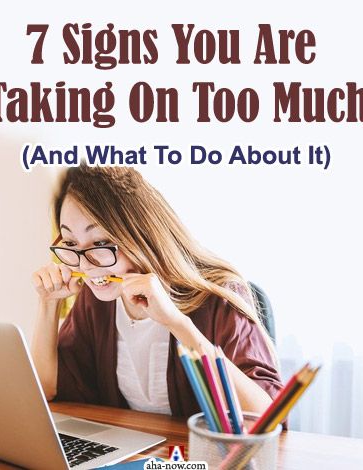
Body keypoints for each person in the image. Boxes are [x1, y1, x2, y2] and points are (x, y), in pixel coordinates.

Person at [31, 165, 283, 418]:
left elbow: (266, 417)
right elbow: (47, 389)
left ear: (142, 236)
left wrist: (176, 323)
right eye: (71, 243)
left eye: (101, 243)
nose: (85, 265)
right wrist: (48, 304)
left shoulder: (219, 296)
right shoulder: (97, 300)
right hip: (134, 449)